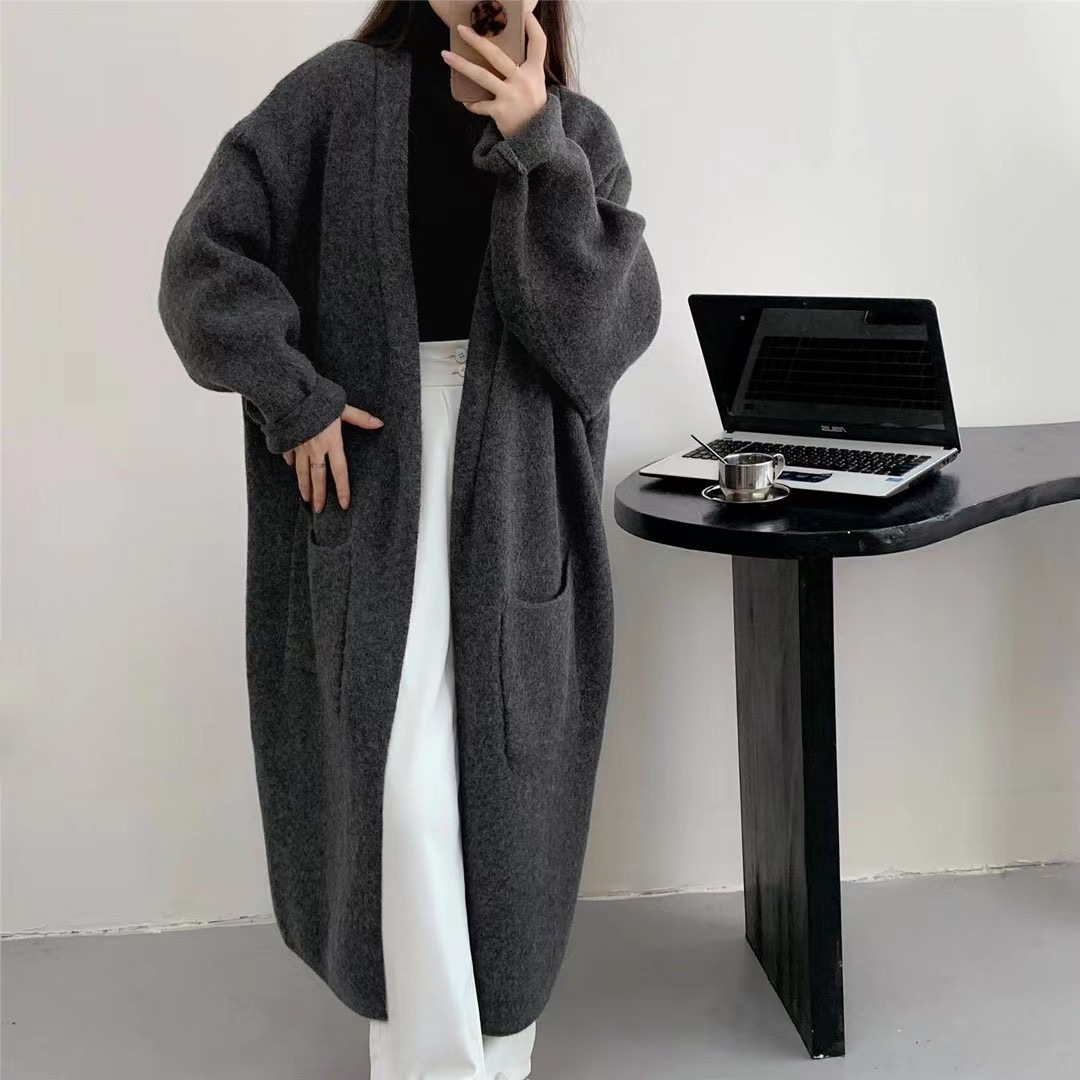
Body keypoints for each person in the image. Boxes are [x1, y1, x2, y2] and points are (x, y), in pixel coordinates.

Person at [157, 2, 661, 1077]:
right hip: (378, 485)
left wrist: (537, 146)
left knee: (504, 816)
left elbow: (600, 342)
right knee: (402, 805)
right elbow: (204, 261)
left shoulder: (578, 134)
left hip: (517, 501)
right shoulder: (333, 98)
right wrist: (292, 397)